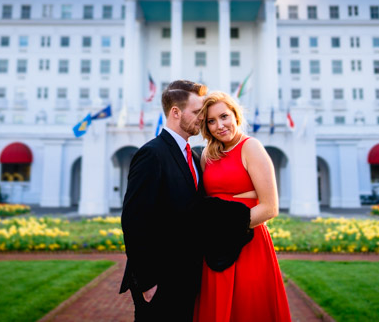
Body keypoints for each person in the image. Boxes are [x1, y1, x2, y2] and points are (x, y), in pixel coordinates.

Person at [194, 91, 292, 322]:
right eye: (211, 121)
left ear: (235, 115)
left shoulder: (251, 147)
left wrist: (225, 226)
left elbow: (270, 207)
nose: (220, 125)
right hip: (215, 247)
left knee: (247, 309)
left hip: (249, 244)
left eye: (224, 116)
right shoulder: (207, 155)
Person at [120, 79, 208, 321]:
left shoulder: (194, 156)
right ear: (176, 112)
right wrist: (147, 284)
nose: (202, 117)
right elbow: (133, 221)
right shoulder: (151, 154)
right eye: (197, 112)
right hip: (159, 283)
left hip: (188, 277)